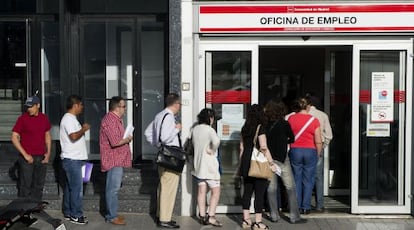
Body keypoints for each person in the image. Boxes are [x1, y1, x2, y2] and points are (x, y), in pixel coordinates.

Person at [264, 99, 307, 224]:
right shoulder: (284, 124)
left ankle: (273, 215)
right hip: (283, 159)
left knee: (271, 188)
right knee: (290, 188)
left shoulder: (265, 125)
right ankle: (294, 216)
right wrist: (284, 142)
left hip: (269, 160)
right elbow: (292, 138)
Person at [144, 93, 182, 229]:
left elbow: (148, 133)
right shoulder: (169, 117)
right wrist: (176, 130)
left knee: (163, 187)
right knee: (169, 188)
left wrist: (157, 145)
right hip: (171, 157)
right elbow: (166, 138)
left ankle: (162, 215)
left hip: (162, 156)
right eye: (180, 105)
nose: (180, 107)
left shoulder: (159, 115)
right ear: (176, 104)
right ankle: (165, 219)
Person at [239, 104, 277, 230]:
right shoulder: (260, 128)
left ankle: (246, 220)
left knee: (247, 192)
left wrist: (241, 164)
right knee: (259, 193)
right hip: (257, 164)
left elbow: (241, 148)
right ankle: (258, 222)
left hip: (246, 161)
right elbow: (264, 147)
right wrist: (271, 163)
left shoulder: (244, 128)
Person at [11, 95, 51, 202]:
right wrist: (25, 155)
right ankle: (23, 209)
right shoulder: (22, 119)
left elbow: (47, 135)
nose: (29, 109)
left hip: (41, 156)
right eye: (27, 107)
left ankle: (36, 207)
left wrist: (48, 153)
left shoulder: (44, 118)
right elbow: (14, 137)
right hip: (27, 158)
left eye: (31, 106)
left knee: (39, 185)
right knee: (25, 185)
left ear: (38, 105)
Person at [99, 96, 133, 225]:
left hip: (117, 158)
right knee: (112, 189)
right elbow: (115, 142)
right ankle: (111, 216)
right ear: (117, 107)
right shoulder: (110, 120)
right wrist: (127, 139)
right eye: (124, 106)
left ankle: (113, 213)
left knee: (114, 188)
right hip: (113, 159)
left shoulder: (116, 120)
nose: (125, 109)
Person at [287, 97, 322, 215]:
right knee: (308, 180)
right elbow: (318, 140)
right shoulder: (314, 120)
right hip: (310, 151)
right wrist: (318, 153)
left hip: (295, 150)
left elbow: (288, 136)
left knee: (296, 179)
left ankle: (296, 206)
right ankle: (306, 207)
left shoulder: (291, 118)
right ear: (308, 107)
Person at [59, 95, 90, 224]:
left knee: (70, 187)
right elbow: (73, 136)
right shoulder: (69, 119)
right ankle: (76, 215)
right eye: (81, 105)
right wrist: (84, 129)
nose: (82, 107)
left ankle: (68, 212)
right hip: (72, 160)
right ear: (76, 105)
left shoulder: (71, 119)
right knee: (76, 189)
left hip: (74, 159)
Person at [191, 108, 222, 227]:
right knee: (216, 191)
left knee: (201, 191)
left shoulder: (195, 129)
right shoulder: (210, 130)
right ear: (210, 118)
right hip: (209, 166)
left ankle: (202, 215)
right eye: (212, 117)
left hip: (198, 165)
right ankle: (212, 216)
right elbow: (217, 141)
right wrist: (212, 149)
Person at [305, 93, 333, 212]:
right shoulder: (322, 115)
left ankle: (304, 204)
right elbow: (329, 135)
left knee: (303, 177)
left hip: (302, 148)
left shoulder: (300, 115)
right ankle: (319, 204)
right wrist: (322, 146)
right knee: (318, 177)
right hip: (317, 149)